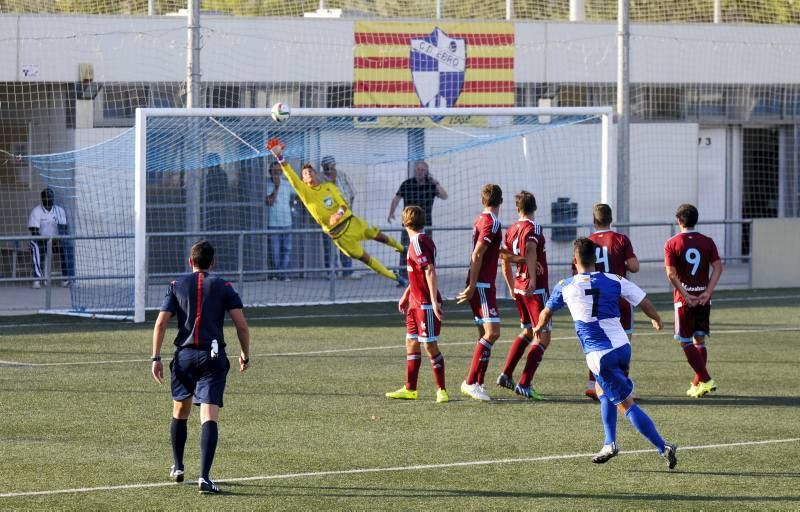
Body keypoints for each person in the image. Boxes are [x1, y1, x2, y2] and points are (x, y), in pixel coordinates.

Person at [531, 238, 677, 469]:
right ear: (595, 259)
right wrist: (656, 318)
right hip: (622, 347)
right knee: (602, 389)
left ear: (574, 260)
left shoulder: (565, 286)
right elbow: (643, 300)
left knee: (625, 403)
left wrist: (538, 327)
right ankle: (609, 442)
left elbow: (546, 312)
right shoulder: (615, 279)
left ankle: (663, 446)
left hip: (601, 355)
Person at [150, 239, 251, 494]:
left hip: (184, 356)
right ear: (212, 262)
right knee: (209, 416)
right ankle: (204, 477)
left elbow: (160, 324)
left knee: (180, 411)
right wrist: (245, 354)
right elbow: (241, 325)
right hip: (213, 356)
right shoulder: (223, 286)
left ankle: (178, 466)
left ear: (190, 261)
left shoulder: (176, 285)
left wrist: (156, 358)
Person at [266, 138, 407, 287]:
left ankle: (400, 248)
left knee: (379, 236)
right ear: (303, 179)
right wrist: (279, 157)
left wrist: (338, 214)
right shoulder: (305, 193)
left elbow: (343, 204)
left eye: (310, 172)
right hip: (339, 236)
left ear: (315, 174)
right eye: (305, 174)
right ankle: (395, 277)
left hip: (352, 223)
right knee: (367, 260)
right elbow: (290, 175)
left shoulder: (329, 187)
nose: (309, 174)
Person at [386, 206, 448, 403]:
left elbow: (429, 270)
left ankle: (442, 390)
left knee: (429, 345)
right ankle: (410, 388)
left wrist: (432, 301)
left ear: (404, 223)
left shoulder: (419, 243)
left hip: (424, 305)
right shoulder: (418, 242)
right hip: (414, 302)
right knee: (411, 342)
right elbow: (417, 275)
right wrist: (406, 295)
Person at [664, 203, 723, 398]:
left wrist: (686, 294)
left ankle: (706, 379)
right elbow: (718, 267)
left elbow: (671, 274)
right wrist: (708, 291)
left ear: (678, 221)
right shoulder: (707, 241)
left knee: (684, 341)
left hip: (684, 301)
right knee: (699, 340)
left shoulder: (672, 243)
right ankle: (697, 384)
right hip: (704, 300)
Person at [496, 190, 550, 400]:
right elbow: (529, 249)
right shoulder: (534, 227)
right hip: (533, 290)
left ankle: (506, 375)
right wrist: (534, 282)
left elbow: (504, 258)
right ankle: (524, 383)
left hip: (519, 287)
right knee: (543, 337)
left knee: (528, 331)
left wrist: (511, 286)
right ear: (535, 208)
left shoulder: (510, 230)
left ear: (517, 209)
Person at [583, 203, 640, 400]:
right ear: (611, 219)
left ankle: (593, 383)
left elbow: (580, 271)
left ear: (594, 221)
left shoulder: (587, 242)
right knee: (624, 341)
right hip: (619, 296)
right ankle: (623, 387)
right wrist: (621, 261)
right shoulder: (621, 239)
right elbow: (634, 267)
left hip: (596, 298)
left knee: (596, 341)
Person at [456, 184, 504, 402]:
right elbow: (477, 255)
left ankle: (479, 382)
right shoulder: (492, 222)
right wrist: (473, 284)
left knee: (483, 335)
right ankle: (471, 382)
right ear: (500, 201)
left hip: (482, 283)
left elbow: (489, 251)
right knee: (492, 332)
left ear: (482, 200)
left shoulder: (480, 219)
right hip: (482, 285)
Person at [387, 160, 448, 277]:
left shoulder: (431, 185)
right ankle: (404, 275)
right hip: (409, 222)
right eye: (418, 170)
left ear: (427, 172)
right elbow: (396, 198)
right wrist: (391, 213)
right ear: (415, 171)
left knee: (426, 249)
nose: (420, 172)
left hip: (426, 223)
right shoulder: (407, 184)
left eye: (423, 170)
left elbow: (444, 196)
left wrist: (436, 183)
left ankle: (426, 274)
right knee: (405, 249)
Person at [28, 187, 73, 288]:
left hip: (56, 241)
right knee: (35, 246)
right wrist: (47, 241)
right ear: (42, 199)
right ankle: (37, 279)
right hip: (41, 240)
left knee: (68, 246)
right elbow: (34, 231)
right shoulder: (36, 211)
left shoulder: (60, 211)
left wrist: (57, 239)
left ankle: (66, 279)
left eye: (52, 197)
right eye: (47, 197)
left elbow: (63, 229)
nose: (50, 199)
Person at [321, 155, 358, 279]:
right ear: (324, 167)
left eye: (333, 166)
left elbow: (351, 193)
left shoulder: (341, 175)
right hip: (329, 219)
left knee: (346, 244)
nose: (331, 169)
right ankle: (332, 272)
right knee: (330, 246)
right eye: (328, 167)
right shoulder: (320, 179)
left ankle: (348, 271)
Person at [265, 160, 295, 281]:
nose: (277, 174)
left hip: (287, 222)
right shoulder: (266, 184)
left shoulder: (287, 184)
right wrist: (276, 187)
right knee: (274, 251)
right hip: (273, 223)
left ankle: (283, 274)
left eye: (279, 171)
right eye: (274, 171)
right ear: (270, 172)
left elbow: (296, 195)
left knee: (287, 249)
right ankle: (276, 273)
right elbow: (270, 202)